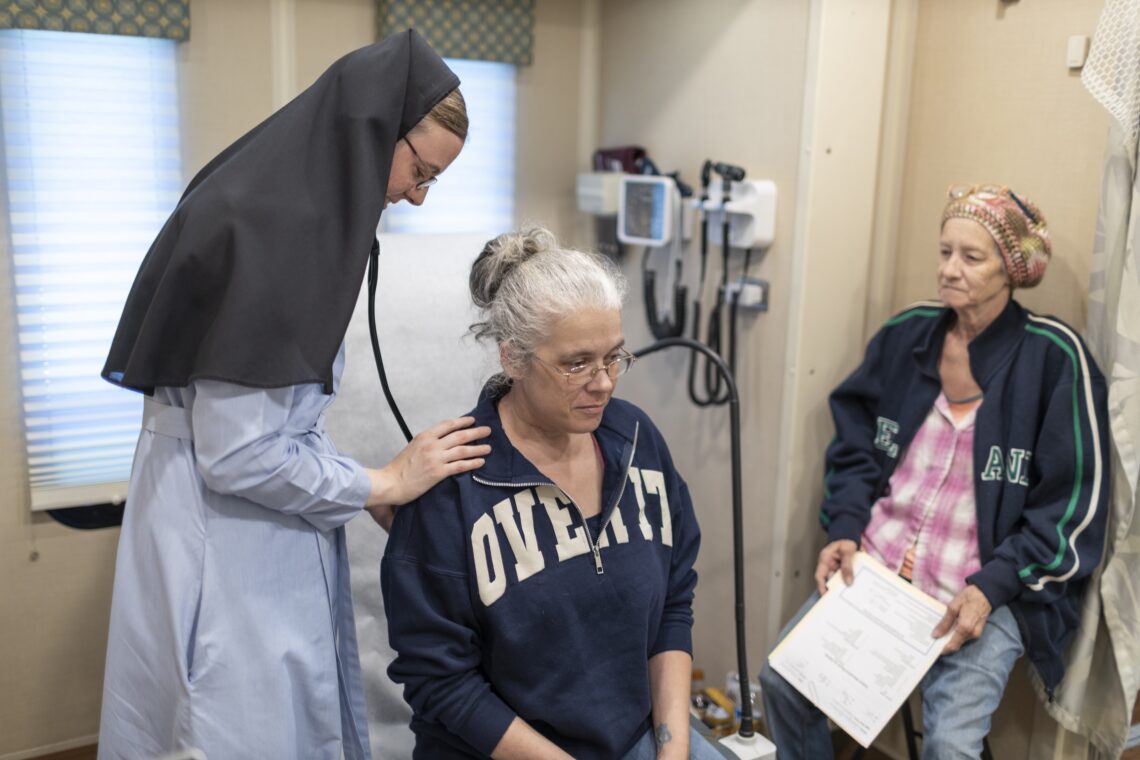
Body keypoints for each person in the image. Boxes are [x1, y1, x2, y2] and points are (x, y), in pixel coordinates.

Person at [97, 30, 491, 760]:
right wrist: (382, 481)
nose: (416, 195)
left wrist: (356, 489)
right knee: (228, 726)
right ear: (374, 128)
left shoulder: (271, 194)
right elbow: (239, 454)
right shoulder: (282, 231)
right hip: (226, 545)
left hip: (216, 517)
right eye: (420, 171)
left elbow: (272, 418)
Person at [759, 184, 1110, 758]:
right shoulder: (907, 334)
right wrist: (844, 528)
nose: (949, 269)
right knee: (782, 681)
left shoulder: (1055, 358)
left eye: (971, 257)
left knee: (949, 745)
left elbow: (1072, 509)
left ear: (1012, 269)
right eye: (945, 251)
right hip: (880, 567)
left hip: (984, 589)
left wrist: (991, 588)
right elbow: (856, 446)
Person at [381, 227, 722, 760]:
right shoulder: (454, 486)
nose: (603, 382)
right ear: (513, 359)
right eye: (575, 364)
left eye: (613, 356)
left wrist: (672, 750)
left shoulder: (637, 441)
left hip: (634, 739)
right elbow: (442, 683)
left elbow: (673, 604)